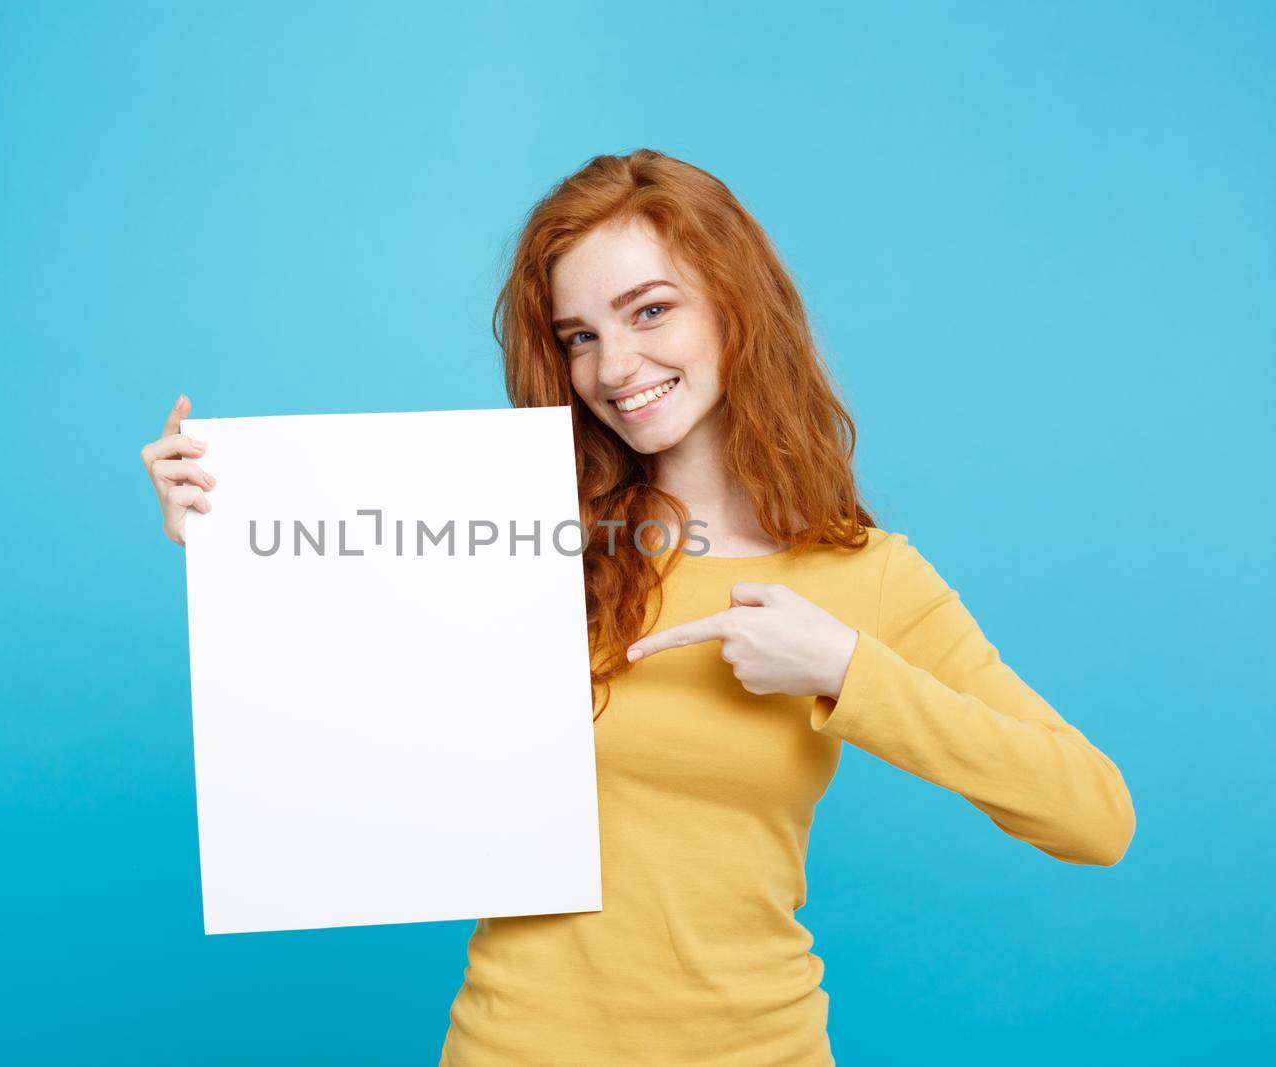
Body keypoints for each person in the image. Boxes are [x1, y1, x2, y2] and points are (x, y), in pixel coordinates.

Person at [138, 149, 1136, 1066]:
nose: (613, 366)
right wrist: (235, 550)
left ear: (735, 306)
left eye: (649, 310)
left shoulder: (863, 574)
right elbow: (348, 737)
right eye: (580, 335)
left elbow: (1093, 815)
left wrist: (846, 670)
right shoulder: (517, 539)